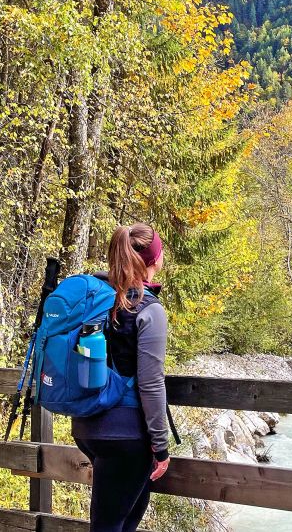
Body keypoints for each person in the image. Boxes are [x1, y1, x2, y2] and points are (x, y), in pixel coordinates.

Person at [71, 223, 171, 532]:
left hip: (87, 426)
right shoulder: (148, 310)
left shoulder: (97, 299)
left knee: (126, 518)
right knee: (108, 526)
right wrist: (161, 445)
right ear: (153, 259)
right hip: (125, 434)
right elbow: (151, 383)